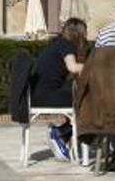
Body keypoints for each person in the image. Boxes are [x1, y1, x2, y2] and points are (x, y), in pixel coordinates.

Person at [34, 17, 87, 161]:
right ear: (79, 34)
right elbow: (73, 67)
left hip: (38, 94)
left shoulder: (57, 44)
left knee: (82, 99)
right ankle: (60, 132)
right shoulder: (67, 45)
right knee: (88, 102)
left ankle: (63, 134)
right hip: (47, 95)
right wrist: (93, 67)